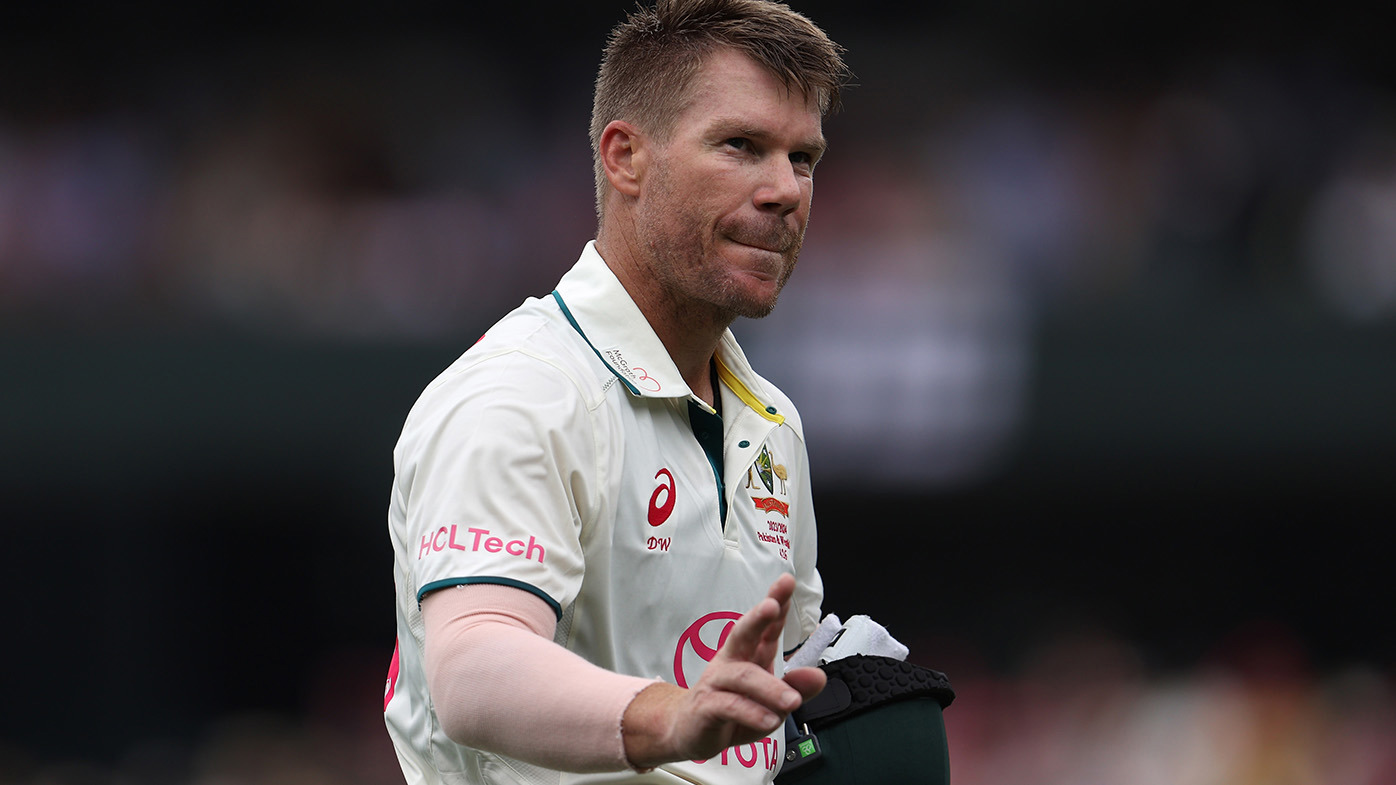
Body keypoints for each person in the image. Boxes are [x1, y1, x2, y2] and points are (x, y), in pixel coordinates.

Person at [383, 1, 852, 782]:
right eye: (741, 146)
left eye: (803, 159)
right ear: (625, 157)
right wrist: (673, 716)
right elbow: (471, 669)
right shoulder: (519, 395)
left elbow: (768, 714)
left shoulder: (773, 422)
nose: (784, 190)